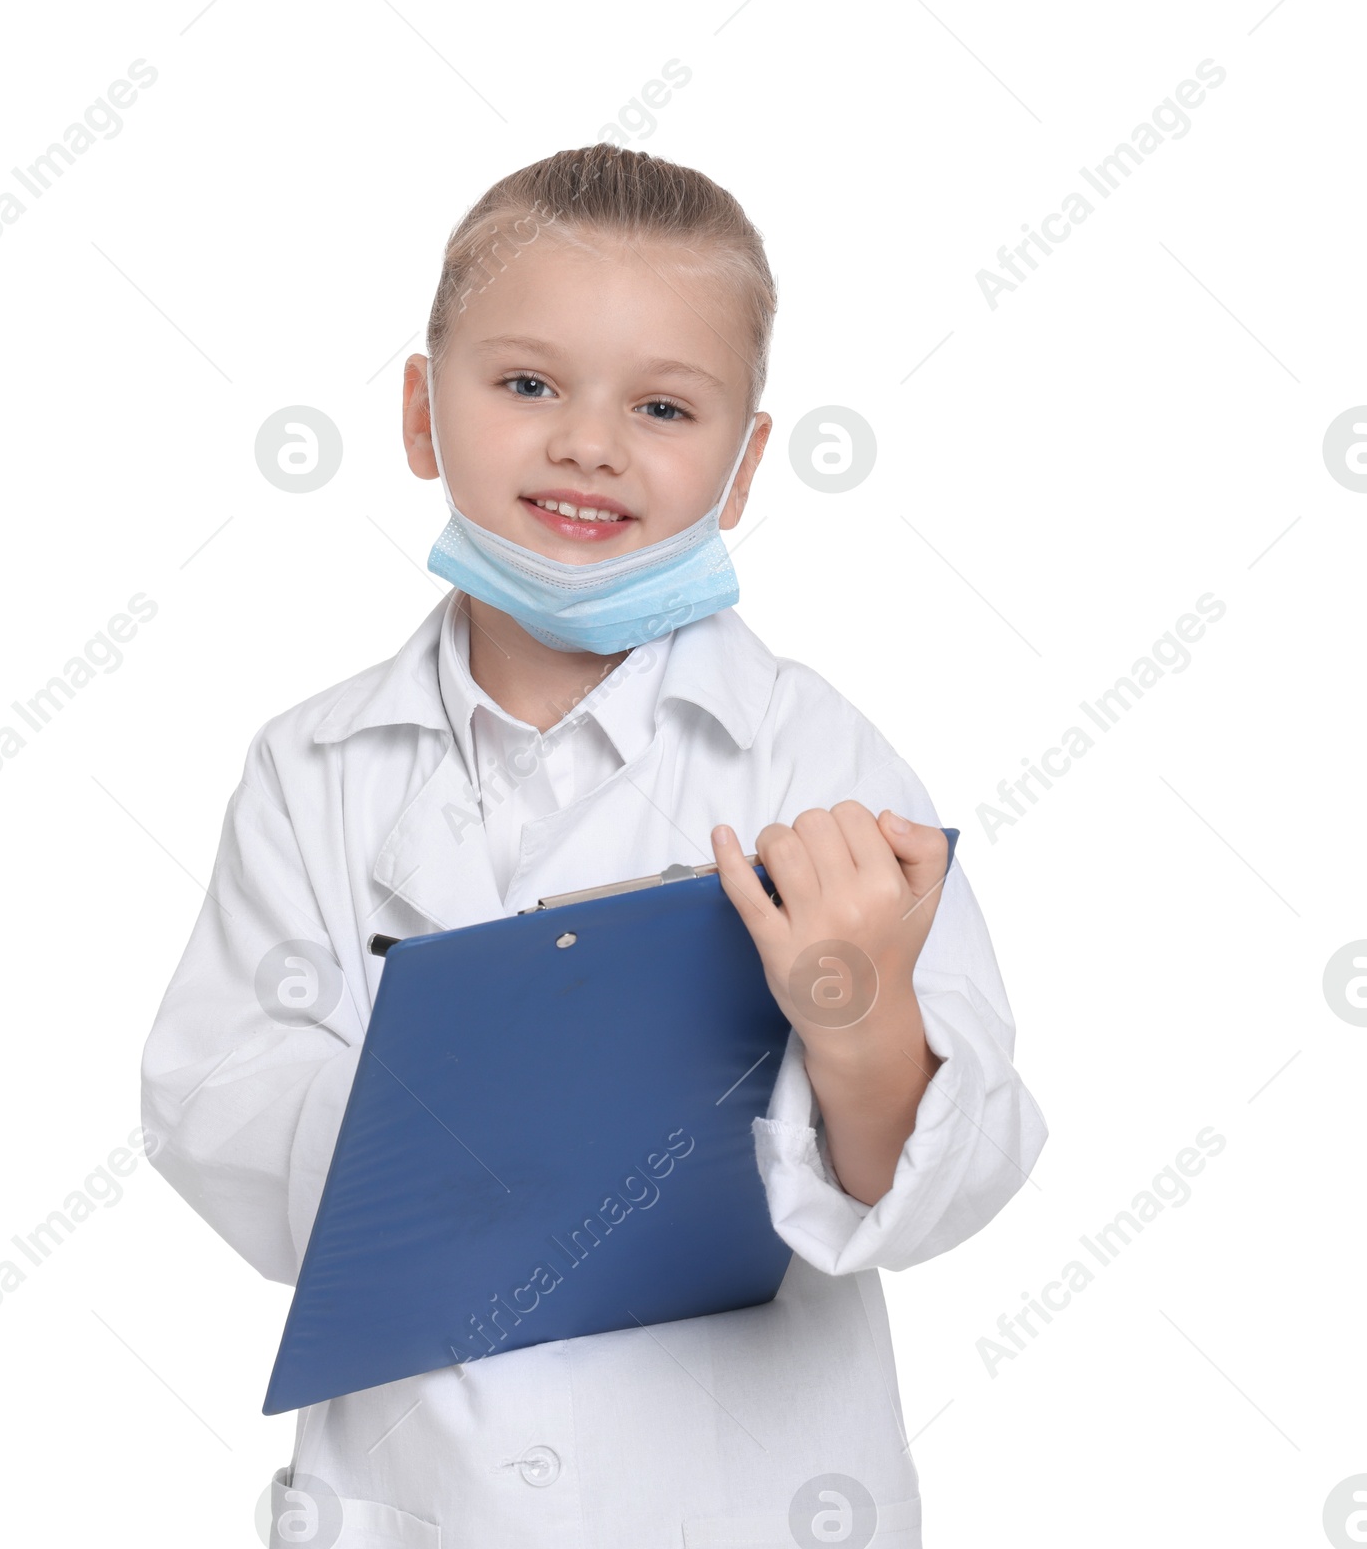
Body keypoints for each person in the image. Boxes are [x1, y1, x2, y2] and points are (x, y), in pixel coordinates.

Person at [140, 142, 1047, 1548]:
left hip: (748, 1499)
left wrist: (857, 1021)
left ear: (744, 467)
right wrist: (474, 1116)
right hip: (419, 1498)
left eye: (665, 406)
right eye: (527, 384)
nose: (589, 444)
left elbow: (948, 1171)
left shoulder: (816, 758)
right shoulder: (309, 766)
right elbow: (216, 1104)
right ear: (419, 412)